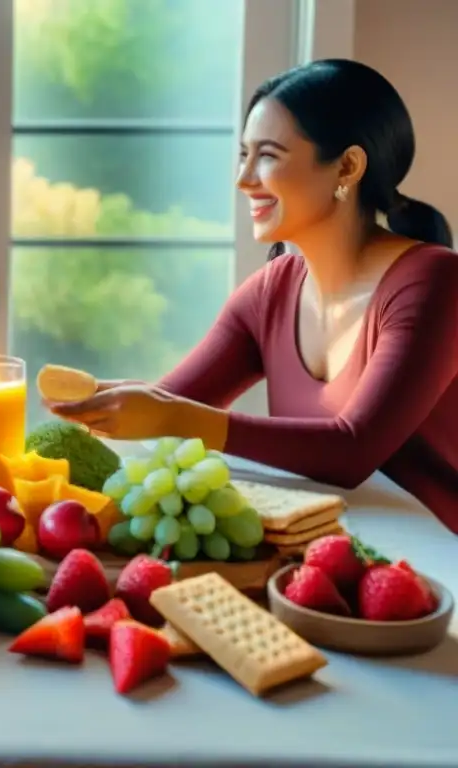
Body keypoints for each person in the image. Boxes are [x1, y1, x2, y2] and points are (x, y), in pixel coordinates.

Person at [47, 59, 458, 534]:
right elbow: (172, 403)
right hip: (339, 551)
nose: (244, 179)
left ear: (347, 166)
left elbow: (352, 450)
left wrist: (173, 415)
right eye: (243, 155)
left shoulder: (435, 283)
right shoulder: (270, 292)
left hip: (442, 568)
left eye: (268, 155)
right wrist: (105, 405)